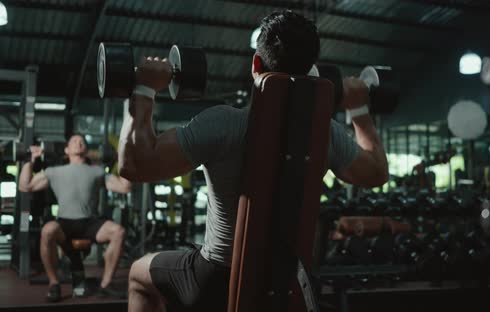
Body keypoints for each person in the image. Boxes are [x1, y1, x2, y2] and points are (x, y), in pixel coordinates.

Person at [119, 10, 389, 312]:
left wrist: (143, 88)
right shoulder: (325, 133)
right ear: (312, 70)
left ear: (256, 64)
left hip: (217, 278)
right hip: (290, 280)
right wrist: (360, 112)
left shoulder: (222, 123)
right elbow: (377, 173)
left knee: (138, 274)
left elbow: (134, 165)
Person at [18, 134, 132, 302]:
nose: (79, 143)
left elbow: (125, 187)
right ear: (66, 150)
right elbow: (25, 186)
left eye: (82, 142)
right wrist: (30, 158)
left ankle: (106, 285)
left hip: (90, 222)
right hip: (65, 223)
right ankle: (54, 283)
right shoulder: (54, 171)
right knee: (47, 230)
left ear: (86, 149)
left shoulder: (97, 171)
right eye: (74, 141)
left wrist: (124, 159)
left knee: (118, 232)